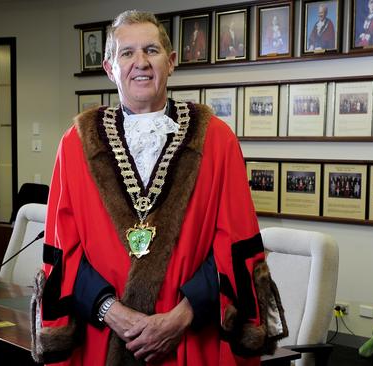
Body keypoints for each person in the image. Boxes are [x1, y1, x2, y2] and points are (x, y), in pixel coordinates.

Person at [32, 9, 287, 366]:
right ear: (109, 68)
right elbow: (63, 251)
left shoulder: (216, 139)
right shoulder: (75, 144)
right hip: (102, 335)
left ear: (171, 63)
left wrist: (179, 317)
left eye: (151, 51)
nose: (141, 62)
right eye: (127, 53)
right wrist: (113, 313)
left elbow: (234, 245)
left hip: (190, 335)